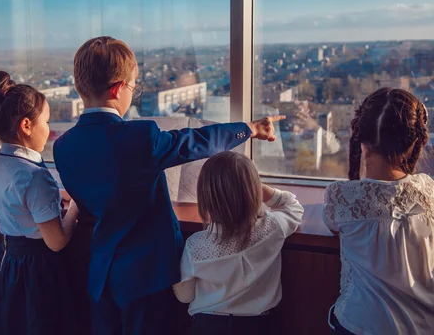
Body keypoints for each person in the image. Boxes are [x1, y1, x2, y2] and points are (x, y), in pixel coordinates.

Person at [53, 36, 284, 335]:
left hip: (102, 272)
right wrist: (250, 128)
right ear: (118, 88)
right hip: (149, 275)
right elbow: (196, 142)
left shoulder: (63, 147)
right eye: (134, 87)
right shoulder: (139, 136)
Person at [323, 88, 433, 334]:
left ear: (362, 143)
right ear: (414, 143)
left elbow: (333, 225)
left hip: (360, 325)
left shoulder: (341, 197)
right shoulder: (429, 190)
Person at [0, 71, 79, 335]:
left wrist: (57, 193)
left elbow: (19, 195)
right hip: (36, 270)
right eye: (45, 121)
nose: (49, 127)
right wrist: (75, 208)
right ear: (26, 125)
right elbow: (56, 242)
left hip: (7, 260)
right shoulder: (36, 176)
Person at [173, 151, 303, 334]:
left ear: (206, 196)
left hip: (208, 327)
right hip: (259, 326)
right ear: (254, 189)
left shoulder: (196, 245)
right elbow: (292, 206)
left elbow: (184, 296)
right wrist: (257, 186)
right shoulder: (273, 227)